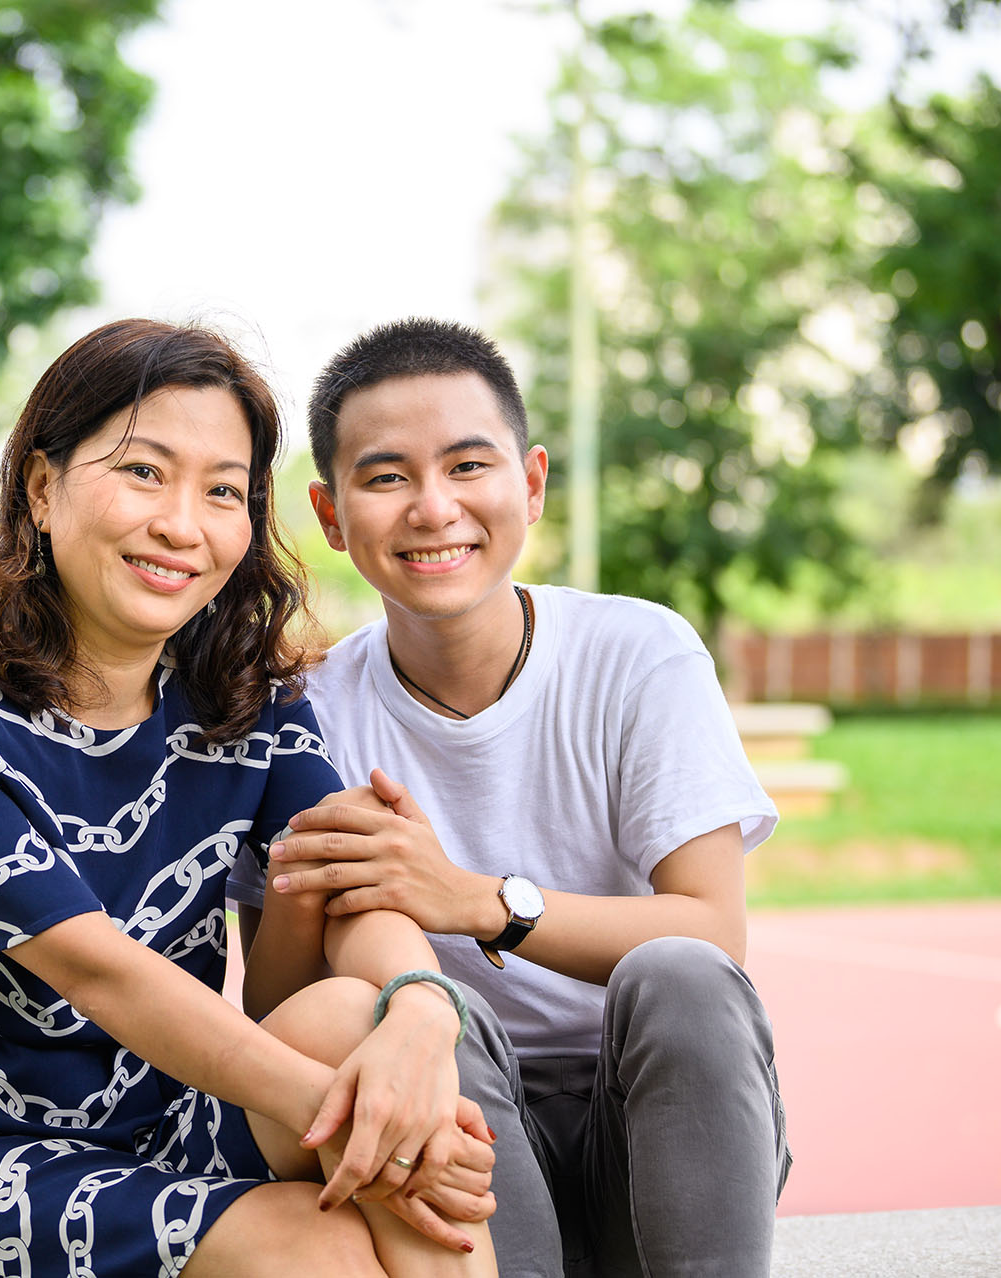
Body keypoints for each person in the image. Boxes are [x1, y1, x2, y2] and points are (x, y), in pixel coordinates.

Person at [0, 318, 500, 1278]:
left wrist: (426, 1015)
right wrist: (364, 1123)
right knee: (323, 1246)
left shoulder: (245, 697)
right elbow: (101, 976)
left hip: (169, 1122)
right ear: (44, 487)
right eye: (144, 472)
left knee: (364, 1017)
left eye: (223, 490)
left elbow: (356, 880)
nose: (184, 525)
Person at [229, 319, 791, 1278]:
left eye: (467, 466)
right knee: (402, 1008)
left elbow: (713, 933)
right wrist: (301, 879)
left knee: (682, 977)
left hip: (650, 1116)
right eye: (386, 476)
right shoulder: (304, 712)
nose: (433, 507)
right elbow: (289, 1015)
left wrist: (475, 900)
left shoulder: (640, 654)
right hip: (459, 1118)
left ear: (529, 484)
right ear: (330, 515)